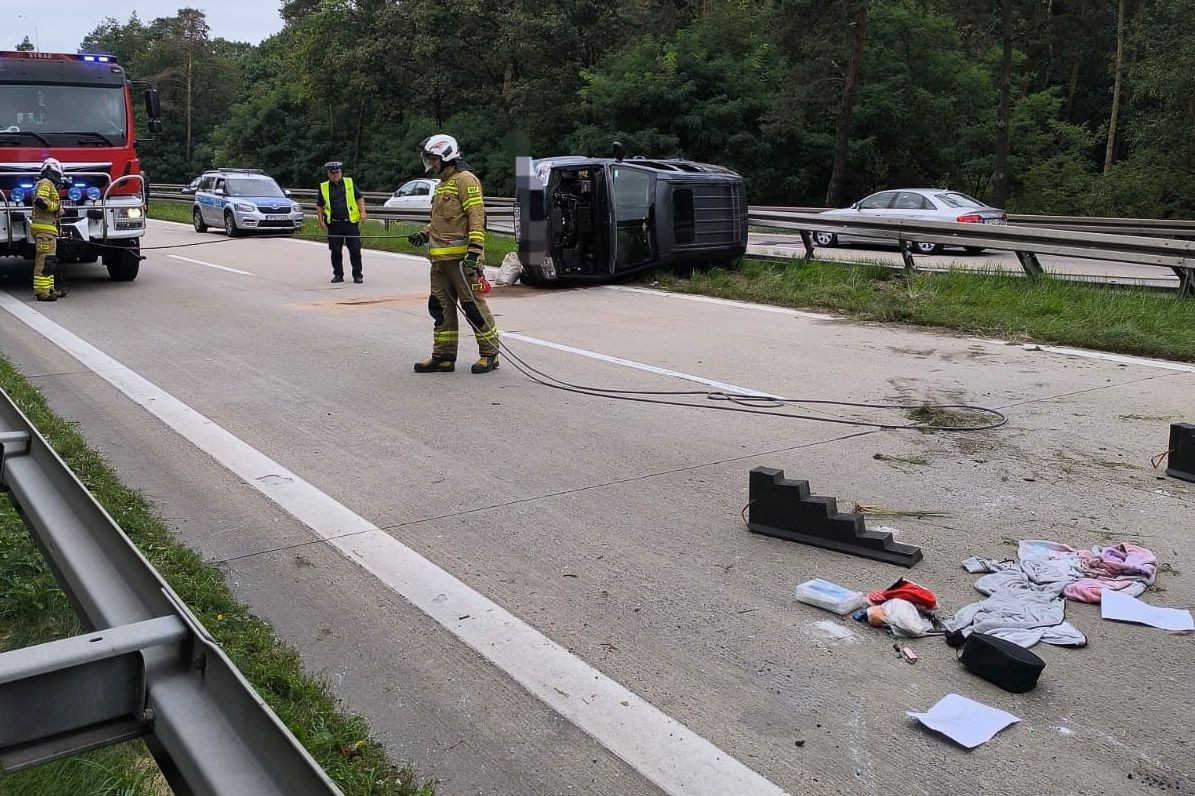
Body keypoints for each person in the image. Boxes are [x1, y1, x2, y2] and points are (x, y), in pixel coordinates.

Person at [407, 134, 499, 374]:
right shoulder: (442, 184)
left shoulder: (466, 180)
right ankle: (444, 356)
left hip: (462, 263)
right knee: (440, 309)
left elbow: (477, 219)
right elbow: (442, 221)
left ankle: (490, 354)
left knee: (473, 309)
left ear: (446, 155)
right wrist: (425, 234)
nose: (430, 162)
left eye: (433, 158)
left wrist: (475, 252)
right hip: (439, 263)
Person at [315, 161, 366, 283]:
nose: (335, 175)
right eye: (332, 173)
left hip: (350, 223)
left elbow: (359, 197)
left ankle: (357, 275)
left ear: (341, 172)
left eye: (337, 172)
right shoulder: (324, 187)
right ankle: (338, 274)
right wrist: (321, 221)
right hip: (334, 224)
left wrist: (363, 212)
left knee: (355, 249)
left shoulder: (349, 183)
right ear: (328, 174)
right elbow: (319, 205)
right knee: (335, 250)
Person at [30, 157, 66, 301]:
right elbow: (41, 201)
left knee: (49, 260)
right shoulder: (45, 183)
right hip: (44, 229)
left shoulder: (48, 183)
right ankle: (41, 292)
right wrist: (57, 208)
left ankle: (49, 289)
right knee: (44, 260)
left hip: (48, 229)